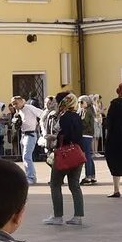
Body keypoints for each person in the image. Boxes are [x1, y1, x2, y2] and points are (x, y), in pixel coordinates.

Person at [42, 94, 87, 228]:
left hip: (64, 153)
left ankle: (58, 216)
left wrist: (52, 137)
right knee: (74, 185)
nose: (56, 103)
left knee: (55, 184)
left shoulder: (63, 117)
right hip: (77, 152)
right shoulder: (77, 116)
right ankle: (78, 216)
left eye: (57, 101)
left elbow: (63, 135)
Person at [12, 94, 46, 185]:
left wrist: (40, 125)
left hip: (30, 134)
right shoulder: (18, 111)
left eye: (16, 103)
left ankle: (30, 177)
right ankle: (30, 176)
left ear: (21, 102)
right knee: (25, 157)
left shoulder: (29, 107)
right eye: (13, 104)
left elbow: (42, 114)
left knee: (27, 156)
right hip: (23, 134)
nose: (15, 105)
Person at [76, 95, 99, 184]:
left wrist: (77, 119)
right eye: (79, 102)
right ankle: (92, 175)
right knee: (88, 155)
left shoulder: (87, 111)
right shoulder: (86, 110)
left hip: (86, 134)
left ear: (87, 102)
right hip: (87, 135)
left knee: (87, 156)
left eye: (81, 102)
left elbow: (84, 122)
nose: (80, 104)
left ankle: (88, 176)